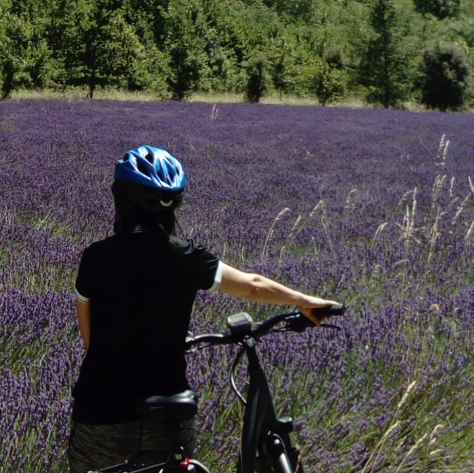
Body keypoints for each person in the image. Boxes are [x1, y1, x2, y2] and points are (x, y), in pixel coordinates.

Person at [68, 145, 338, 473]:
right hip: (169, 418)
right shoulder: (188, 258)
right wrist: (304, 301)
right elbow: (252, 284)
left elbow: (90, 342)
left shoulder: (96, 258)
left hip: (102, 418)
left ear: (120, 199)